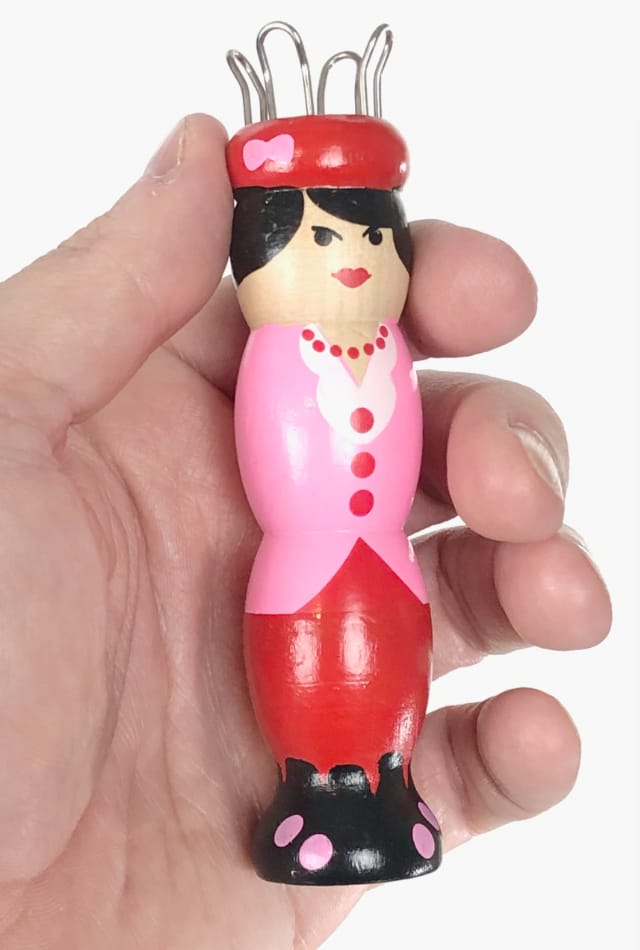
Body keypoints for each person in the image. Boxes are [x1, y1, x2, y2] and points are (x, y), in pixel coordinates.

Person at [0, 113, 611, 948]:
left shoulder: (383, 345)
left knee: (388, 654)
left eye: (371, 236)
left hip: (384, 567)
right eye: (321, 237)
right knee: (316, 658)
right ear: (261, 252)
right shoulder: (277, 352)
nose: (351, 255)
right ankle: (313, 795)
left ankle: (389, 788)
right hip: (303, 571)